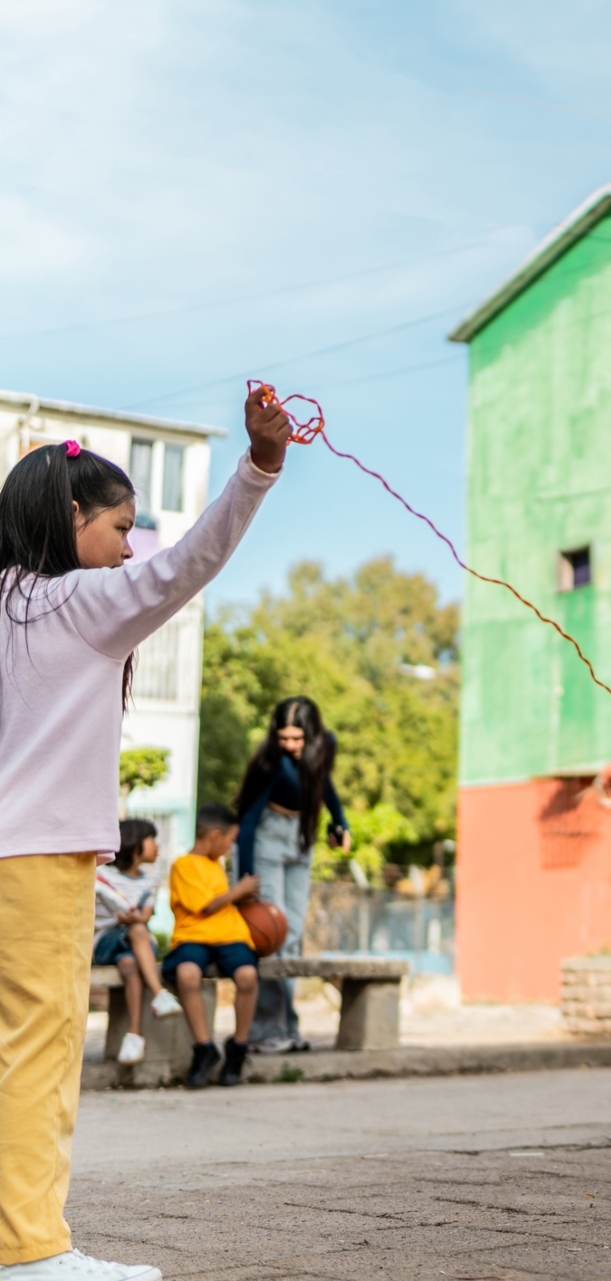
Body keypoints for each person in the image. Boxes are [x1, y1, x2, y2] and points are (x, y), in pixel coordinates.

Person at [0, 385, 287, 1281]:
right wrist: (260, 469)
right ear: (72, 515)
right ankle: (30, 1251)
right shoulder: (77, 605)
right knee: (38, 1053)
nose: (131, 548)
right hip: (36, 859)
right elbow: (186, 565)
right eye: (121, 527)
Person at [234, 695, 349, 1052]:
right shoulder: (270, 761)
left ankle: (287, 1026)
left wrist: (339, 821)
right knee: (272, 934)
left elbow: (323, 784)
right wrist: (247, 879)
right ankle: (266, 1031)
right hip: (267, 836)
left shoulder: (325, 746)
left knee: (294, 934)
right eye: (284, 738)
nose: (290, 745)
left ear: (312, 735)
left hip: (303, 837)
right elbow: (248, 820)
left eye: (297, 739)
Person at [162, 802, 260, 1090]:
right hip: (193, 935)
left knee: (248, 976)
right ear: (215, 836)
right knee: (187, 974)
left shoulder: (216, 865)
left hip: (229, 934)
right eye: (230, 840)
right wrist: (239, 891)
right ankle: (204, 1047)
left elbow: (221, 903)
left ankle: (238, 1047)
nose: (231, 846)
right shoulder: (183, 864)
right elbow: (205, 906)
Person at [93, 817, 183, 1065]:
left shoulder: (151, 880)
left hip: (136, 942)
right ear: (135, 845)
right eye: (152, 839)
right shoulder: (102, 875)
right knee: (139, 931)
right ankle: (159, 994)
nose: (158, 845)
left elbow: (144, 915)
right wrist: (122, 919)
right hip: (104, 941)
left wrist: (129, 918)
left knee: (130, 963)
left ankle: (134, 1035)